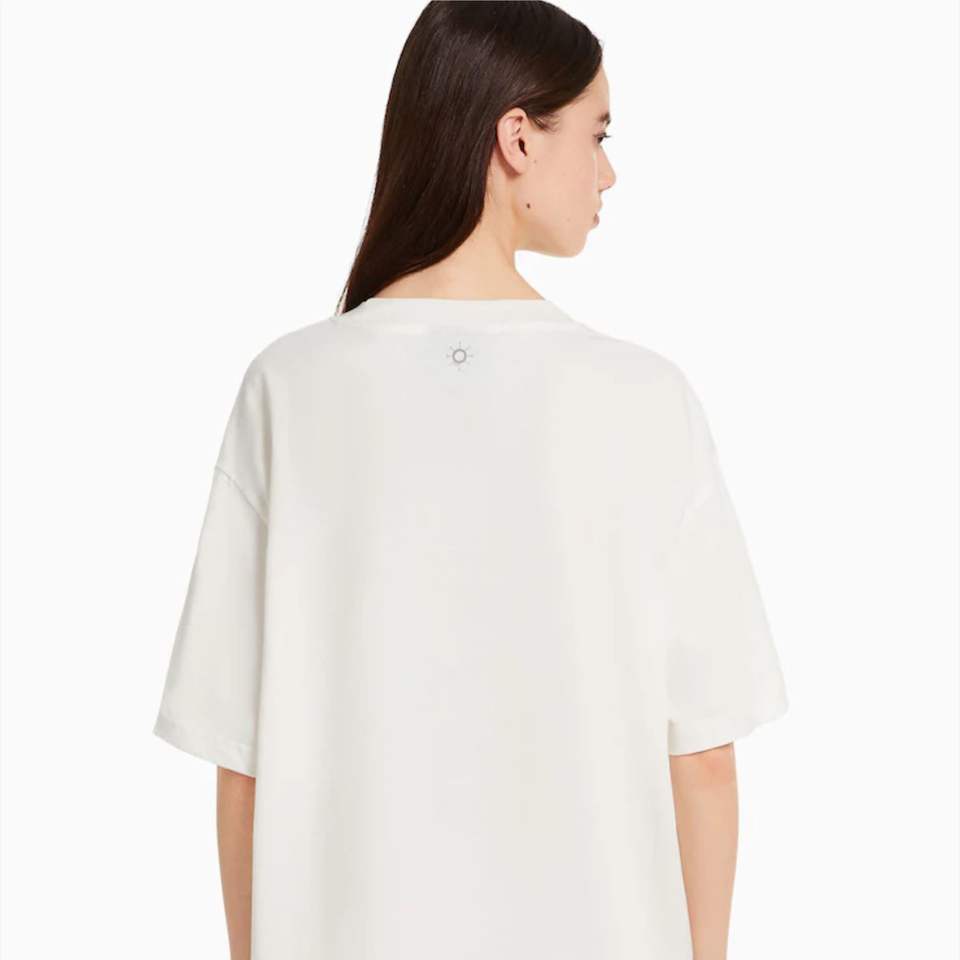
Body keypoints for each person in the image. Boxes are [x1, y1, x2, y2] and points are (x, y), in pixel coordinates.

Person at [152, 3, 789, 959]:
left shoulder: (290, 386)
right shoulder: (643, 398)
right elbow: (701, 755)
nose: (608, 172)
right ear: (518, 137)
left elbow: (241, 760)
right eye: (599, 133)